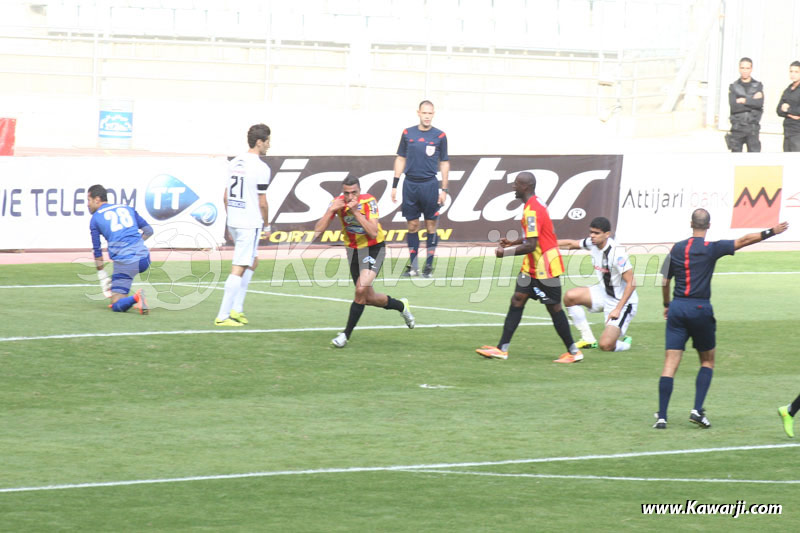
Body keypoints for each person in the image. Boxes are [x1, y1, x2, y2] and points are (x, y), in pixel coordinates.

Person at [654, 208, 788, 430]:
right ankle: (697, 410)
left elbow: (665, 280)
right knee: (707, 361)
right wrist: (771, 232)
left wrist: (667, 305)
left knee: (670, 364)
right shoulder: (711, 249)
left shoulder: (676, 248)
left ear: (690, 223)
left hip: (677, 308)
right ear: (708, 226)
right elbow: (744, 240)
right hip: (700, 308)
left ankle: (662, 417)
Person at [476, 172, 583, 363]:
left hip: (545, 266)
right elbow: (534, 236)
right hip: (531, 265)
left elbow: (531, 245)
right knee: (517, 300)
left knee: (554, 308)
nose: (513, 187)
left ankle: (574, 352)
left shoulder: (532, 210)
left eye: (516, 184)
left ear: (525, 187)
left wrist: (504, 253)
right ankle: (502, 349)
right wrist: (512, 242)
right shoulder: (536, 203)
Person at [314, 175, 415, 347]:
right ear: (342, 193)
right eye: (347, 193)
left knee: (360, 290)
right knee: (367, 297)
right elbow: (317, 231)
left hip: (374, 248)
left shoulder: (369, 202)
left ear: (359, 191)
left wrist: (354, 212)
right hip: (353, 251)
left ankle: (345, 335)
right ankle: (401, 306)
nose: (350, 197)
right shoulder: (337, 202)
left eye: (354, 193)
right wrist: (331, 210)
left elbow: (373, 232)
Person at [215, 123, 271, 326]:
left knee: (252, 262)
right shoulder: (261, 167)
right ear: (259, 142)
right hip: (250, 223)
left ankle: (237, 309)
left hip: (235, 220)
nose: (269, 146)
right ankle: (223, 316)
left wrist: (232, 218)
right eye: (267, 141)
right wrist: (266, 225)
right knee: (239, 266)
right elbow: (262, 202)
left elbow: (225, 196)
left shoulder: (234, 162)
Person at [557, 216, 638, 353]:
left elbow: (632, 282)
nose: (592, 236)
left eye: (596, 233)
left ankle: (625, 343)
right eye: (591, 232)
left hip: (622, 302)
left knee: (606, 346)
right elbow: (571, 244)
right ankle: (588, 338)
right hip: (603, 293)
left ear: (607, 234)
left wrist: (618, 309)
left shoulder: (617, 254)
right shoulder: (592, 243)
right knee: (570, 297)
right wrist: (543, 243)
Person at [392, 100, 449, 278]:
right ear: (418, 113)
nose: (427, 116)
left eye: (430, 113)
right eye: (424, 113)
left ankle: (428, 267)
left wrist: (444, 189)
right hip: (410, 185)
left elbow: (444, 162)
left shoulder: (440, 136)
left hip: (430, 185)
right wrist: (394, 184)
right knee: (413, 225)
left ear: (433, 114)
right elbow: (400, 158)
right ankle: (414, 266)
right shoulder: (408, 133)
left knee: (431, 226)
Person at [87, 184, 152, 314]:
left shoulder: (95, 219)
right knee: (123, 276)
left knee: (116, 305)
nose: (87, 204)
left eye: (88, 200)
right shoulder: (126, 208)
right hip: (145, 258)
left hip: (126, 262)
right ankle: (124, 288)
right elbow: (149, 231)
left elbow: (97, 251)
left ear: (97, 199)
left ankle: (137, 297)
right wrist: (137, 243)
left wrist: (102, 275)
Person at [726, 57, 763, 152]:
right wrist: (752, 100)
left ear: (751, 69)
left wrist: (744, 100)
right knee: (736, 159)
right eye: (742, 68)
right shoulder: (733, 86)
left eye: (747, 68)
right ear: (739, 69)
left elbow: (759, 104)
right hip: (737, 128)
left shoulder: (757, 85)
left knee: (753, 160)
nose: (745, 71)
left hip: (752, 128)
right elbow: (734, 107)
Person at [776, 61, 800, 152]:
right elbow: (779, 110)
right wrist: (790, 114)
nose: (793, 74)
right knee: (787, 160)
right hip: (787, 130)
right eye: (791, 71)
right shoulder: (788, 89)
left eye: (796, 72)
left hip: (797, 131)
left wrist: (788, 109)